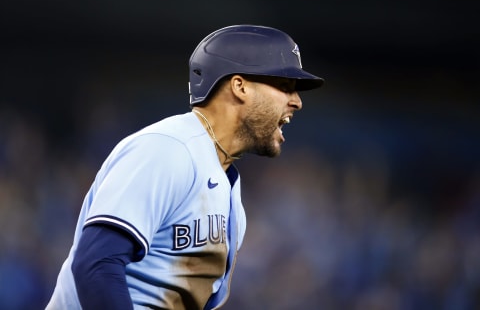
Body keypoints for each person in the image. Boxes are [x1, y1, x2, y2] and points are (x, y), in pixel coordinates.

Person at [46, 24, 324, 310]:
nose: (297, 102)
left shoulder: (228, 191)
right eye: (285, 86)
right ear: (239, 87)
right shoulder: (167, 149)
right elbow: (96, 265)